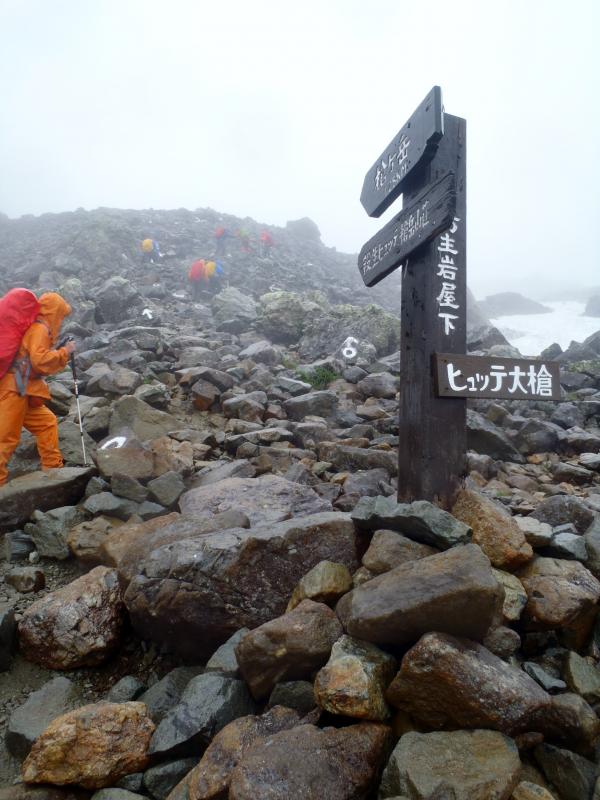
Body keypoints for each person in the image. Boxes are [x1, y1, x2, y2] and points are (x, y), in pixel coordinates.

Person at [0, 292, 75, 486]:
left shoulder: (41, 329)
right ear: (54, 312)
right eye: (61, 315)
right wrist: (64, 352)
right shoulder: (40, 329)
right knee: (5, 438)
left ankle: (53, 470)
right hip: (14, 390)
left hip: (23, 389)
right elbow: (39, 361)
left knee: (47, 423)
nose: (61, 320)